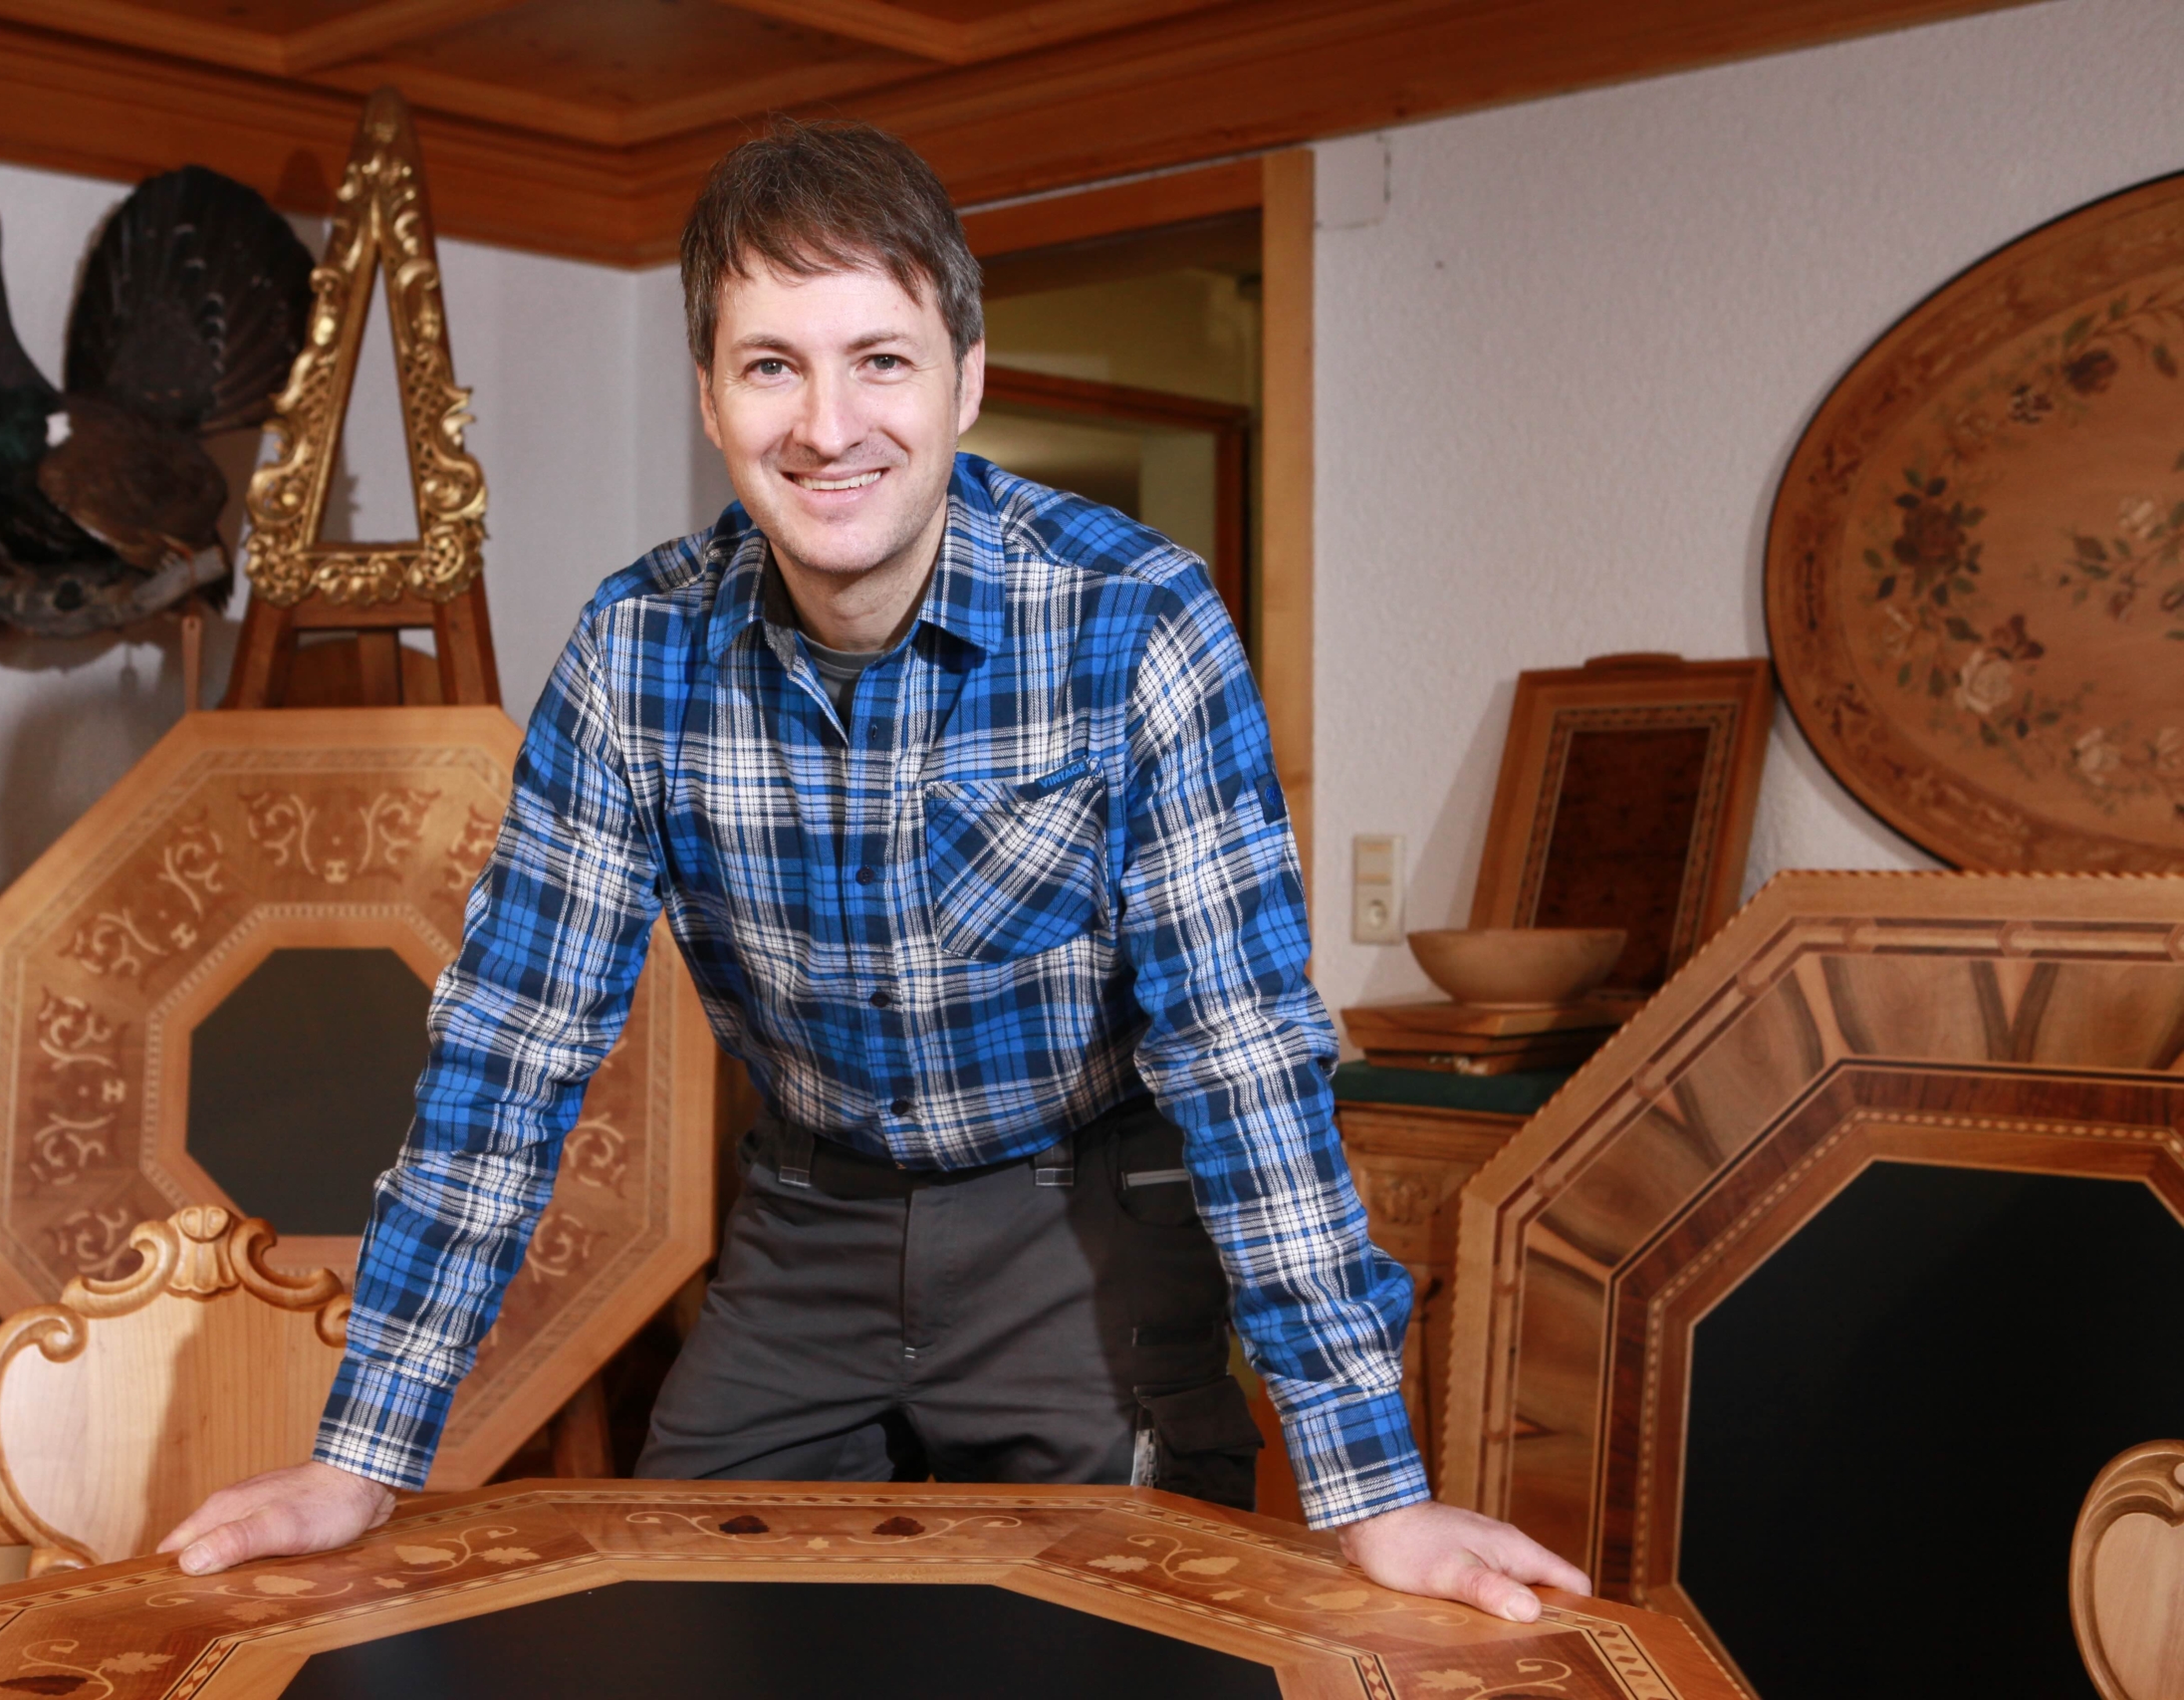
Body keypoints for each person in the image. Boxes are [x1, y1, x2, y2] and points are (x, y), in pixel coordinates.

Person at [163, 120, 1587, 1620]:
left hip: (1083, 1230)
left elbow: (1239, 1055)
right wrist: (363, 1453)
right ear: (712, 398)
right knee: (682, 1626)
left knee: (1131, 1643)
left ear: (967, 378)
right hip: (805, 1224)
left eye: (881, 359)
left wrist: (1375, 1484)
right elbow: (512, 1054)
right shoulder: (634, 652)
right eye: (771, 363)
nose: (826, 423)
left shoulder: (1137, 623)